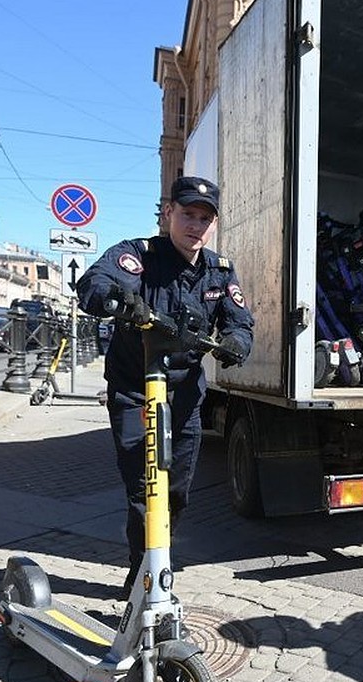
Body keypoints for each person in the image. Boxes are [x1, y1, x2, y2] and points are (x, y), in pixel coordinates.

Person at [77, 176, 254, 595]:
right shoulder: (139, 255)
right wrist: (118, 300)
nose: (196, 225)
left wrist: (235, 344)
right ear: (169, 213)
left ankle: (155, 563)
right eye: (188, 214)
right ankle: (144, 577)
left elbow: (241, 323)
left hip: (185, 394)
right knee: (144, 487)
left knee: (174, 491)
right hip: (135, 389)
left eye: (204, 218)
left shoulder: (218, 270)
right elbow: (95, 284)